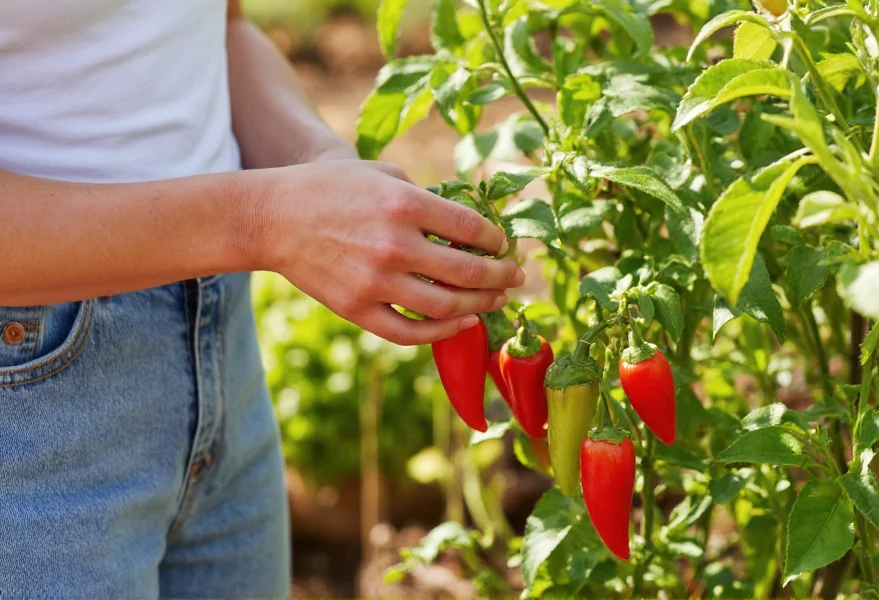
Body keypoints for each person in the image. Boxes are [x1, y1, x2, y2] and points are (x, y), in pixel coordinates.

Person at [0, 0, 523, 597]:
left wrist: (322, 166)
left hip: (225, 344)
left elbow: (219, 28)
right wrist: (263, 220)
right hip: (27, 408)